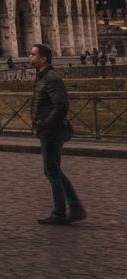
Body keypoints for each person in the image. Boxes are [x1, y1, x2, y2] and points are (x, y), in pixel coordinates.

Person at [29, 42, 85, 225]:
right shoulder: (43, 76)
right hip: (48, 129)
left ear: (43, 58)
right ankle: (73, 207)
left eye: (33, 55)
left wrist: (45, 124)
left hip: (51, 131)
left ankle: (62, 211)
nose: (30, 57)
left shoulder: (51, 77)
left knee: (52, 170)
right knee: (53, 170)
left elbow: (61, 106)